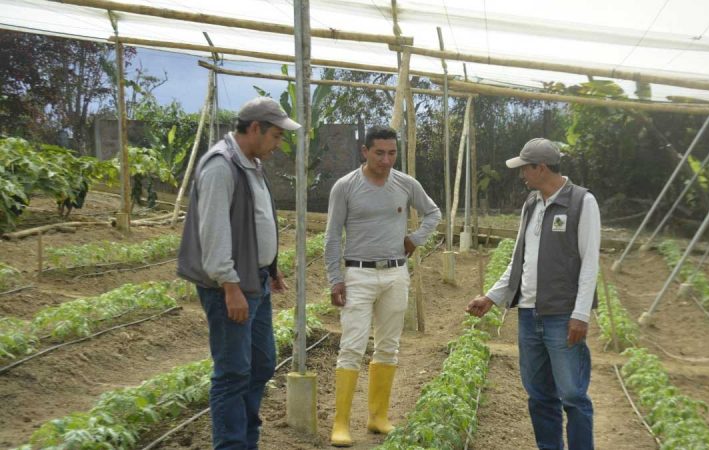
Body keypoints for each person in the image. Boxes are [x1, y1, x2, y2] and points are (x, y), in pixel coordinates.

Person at [177, 96, 300, 450]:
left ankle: (246, 439)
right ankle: (232, 445)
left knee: (262, 364)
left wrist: (271, 268)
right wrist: (230, 285)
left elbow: (256, 220)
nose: (279, 144)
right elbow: (214, 231)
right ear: (256, 128)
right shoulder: (221, 165)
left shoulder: (251, 163)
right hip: (230, 287)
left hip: (255, 279)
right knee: (233, 373)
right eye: (277, 136)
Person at [466, 138, 600, 450]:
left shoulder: (582, 202)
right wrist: (491, 296)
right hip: (528, 315)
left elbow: (590, 263)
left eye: (525, 168)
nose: (522, 174)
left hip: (562, 317)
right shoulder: (532, 203)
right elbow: (518, 259)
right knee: (540, 396)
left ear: (541, 168)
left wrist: (580, 315)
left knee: (573, 396)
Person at [324, 126, 441, 447]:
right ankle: (341, 423)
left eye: (392, 153)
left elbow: (433, 213)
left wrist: (415, 240)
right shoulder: (345, 187)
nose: (386, 160)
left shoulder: (405, 184)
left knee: (389, 346)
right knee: (352, 346)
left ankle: (378, 417)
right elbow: (332, 236)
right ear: (365, 151)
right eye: (379, 153)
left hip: (395, 273)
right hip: (357, 274)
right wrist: (335, 278)